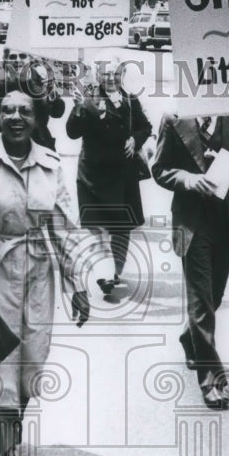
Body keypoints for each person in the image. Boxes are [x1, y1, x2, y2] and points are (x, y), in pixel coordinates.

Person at [0, 91, 91, 456]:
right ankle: (5, 446)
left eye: (24, 111)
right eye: (8, 110)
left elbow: (63, 227)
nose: (15, 117)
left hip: (36, 272)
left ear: (36, 119)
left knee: (32, 359)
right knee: (0, 361)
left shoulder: (49, 165)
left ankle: (12, 433)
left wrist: (77, 285)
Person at [151, 109, 229, 410]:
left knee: (213, 297)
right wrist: (187, 179)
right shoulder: (174, 119)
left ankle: (190, 338)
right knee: (201, 303)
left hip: (227, 222)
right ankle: (211, 380)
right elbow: (159, 169)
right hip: (192, 223)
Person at [67, 54, 153, 294]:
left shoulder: (129, 100)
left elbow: (145, 126)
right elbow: (73, 133)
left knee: (120, 227)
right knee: (96, 225)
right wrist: (76, 110)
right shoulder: (87, 99)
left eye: (115, 74)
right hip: (93, 175)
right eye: (105, 74)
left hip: (122, 175)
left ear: (122, 75)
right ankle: (104, 273)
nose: (110, 79)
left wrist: (135, 140)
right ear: (98, 76)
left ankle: (115, 270)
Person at [0, 51, 65, 149]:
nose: (17, 60)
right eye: (12, 57)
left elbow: (57, 113)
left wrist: (52, 94)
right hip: (3, 147)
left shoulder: (42, 83)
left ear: (30, 60)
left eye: (23, 56)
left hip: (39, 145)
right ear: (6, 61)